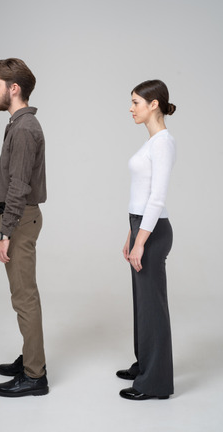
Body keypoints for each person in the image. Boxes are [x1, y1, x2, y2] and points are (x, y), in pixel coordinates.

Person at [0, 58, 48, 397]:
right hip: (19, 218)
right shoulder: (19, 124)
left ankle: (35, 375)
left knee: (24, 297)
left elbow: (18, 186)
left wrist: (5, 233)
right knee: (22, 295)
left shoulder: (24, 128)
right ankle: (30, 357)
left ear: (14, 88)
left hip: (20, 220)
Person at [117, 80, 176, 401]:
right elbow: (139, 196)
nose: (131, 108)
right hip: (140, 227)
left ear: (154, 104)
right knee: (143, 305)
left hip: (153, 232)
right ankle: (145, 365)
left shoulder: (163, 142)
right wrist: (130, 234)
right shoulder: (152, 142)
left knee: (153, 308)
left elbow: (157, 198)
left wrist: (141, 241)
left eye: (136, 102)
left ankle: (156, 383)